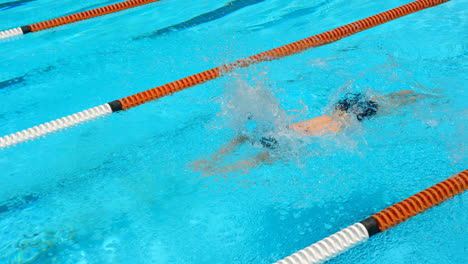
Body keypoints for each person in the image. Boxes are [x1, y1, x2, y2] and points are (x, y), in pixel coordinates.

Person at [192, 90, 428, 175]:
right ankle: (431, 95)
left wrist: (215, 168)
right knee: (397, 98)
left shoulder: (284, 145)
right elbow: (242, 139)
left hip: (352, 116)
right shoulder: (285, 130)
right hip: (344, 107)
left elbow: (247, 161)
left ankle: (431, 96)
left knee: (395, 103)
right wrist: (212, 160)